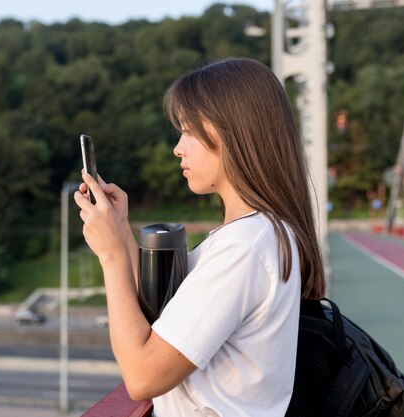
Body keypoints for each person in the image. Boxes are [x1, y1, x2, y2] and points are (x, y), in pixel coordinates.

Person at [74, 57, 326, 417]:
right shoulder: (262, 232)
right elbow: (160, 316)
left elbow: (142, 376)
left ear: (235, 134)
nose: (178, 147)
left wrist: (111, 255)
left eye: (190, 132)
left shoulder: (243, 247)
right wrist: (121, 231)